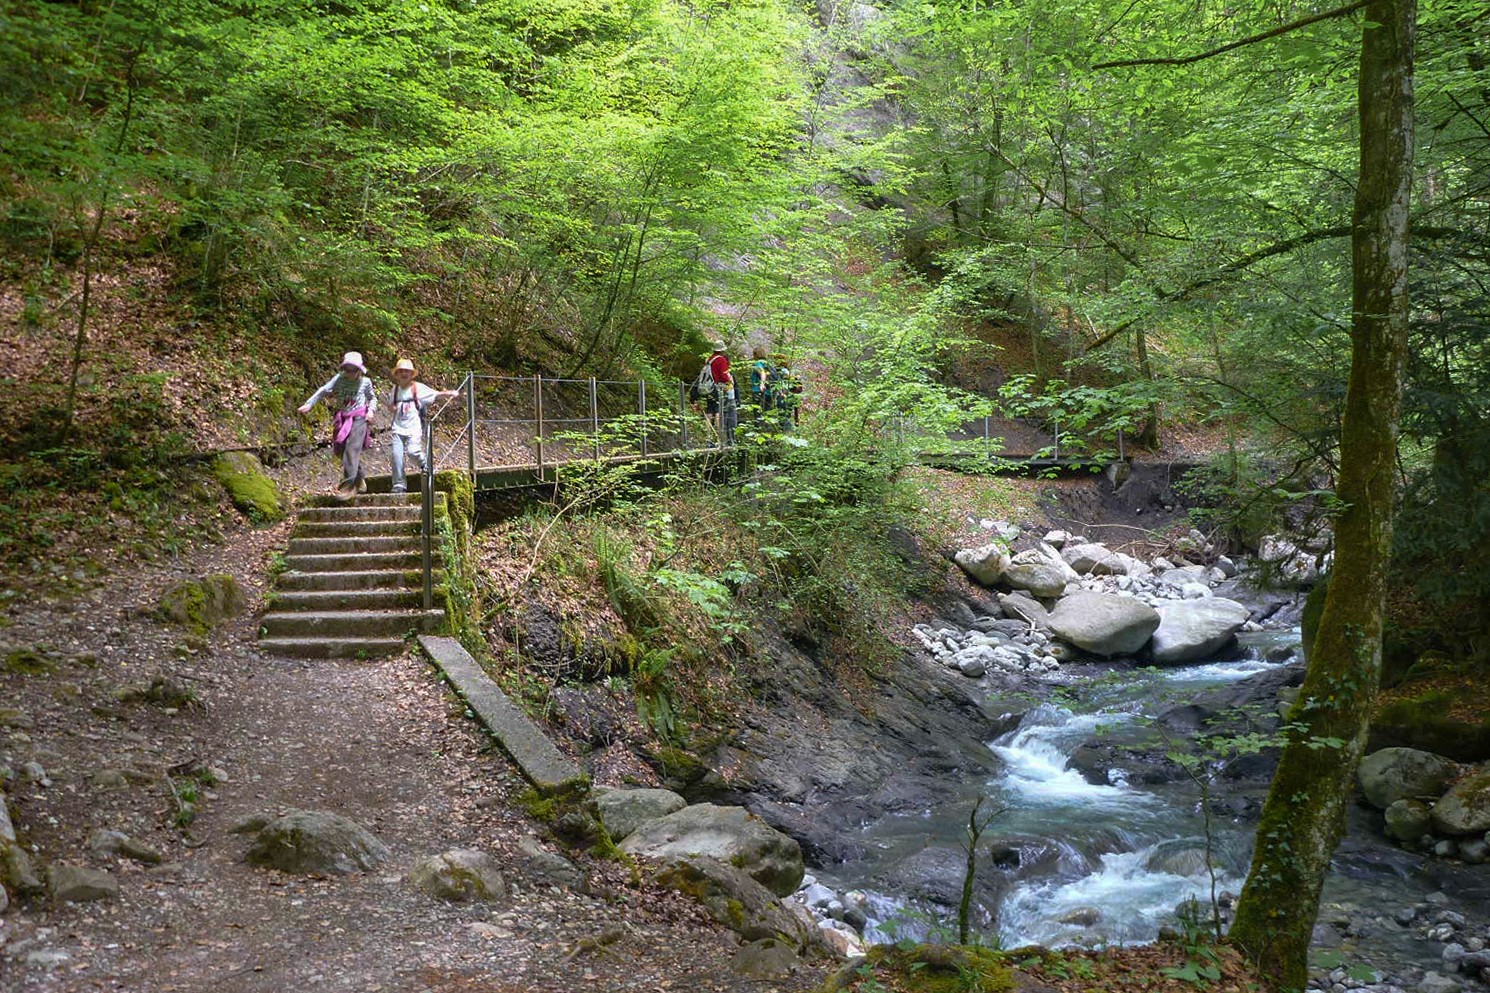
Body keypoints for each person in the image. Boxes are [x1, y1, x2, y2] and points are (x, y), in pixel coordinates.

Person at [298, 351, 378, 500]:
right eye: (347, 369)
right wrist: (309, 404)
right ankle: (359, 477)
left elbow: (372, 398)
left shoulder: (365, 382)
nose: (350, 372)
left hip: (359, 417)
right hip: (343, 417)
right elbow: (324, 390)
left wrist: (371, 411)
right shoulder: (339, 379)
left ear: (359, 370)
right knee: (340, 449)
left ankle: (348, 486)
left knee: (352, 448)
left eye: (353, 369)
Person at [382, 358, 460, 493]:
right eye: (401, 371)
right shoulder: (395, 390)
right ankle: (399, 484)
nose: (404, 374)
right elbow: (390, 404)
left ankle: (424, 463)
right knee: (396, 455)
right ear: (397, 374)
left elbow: (435, 395)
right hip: (397, 427)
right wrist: (393, 408)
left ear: (411, 374)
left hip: (413, 427)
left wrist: (449, 394)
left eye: (406, 371)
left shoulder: (417, 388)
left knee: (413, 451)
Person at [748, 347, 775, 422]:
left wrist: (762, 384)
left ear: (756, 355)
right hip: (769, 392)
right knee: (766, 415)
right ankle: (765, 430)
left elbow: (762, 373)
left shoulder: (758, 363)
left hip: (758, 390)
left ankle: (758, 430)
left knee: (758, 414)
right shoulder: (768, 364)